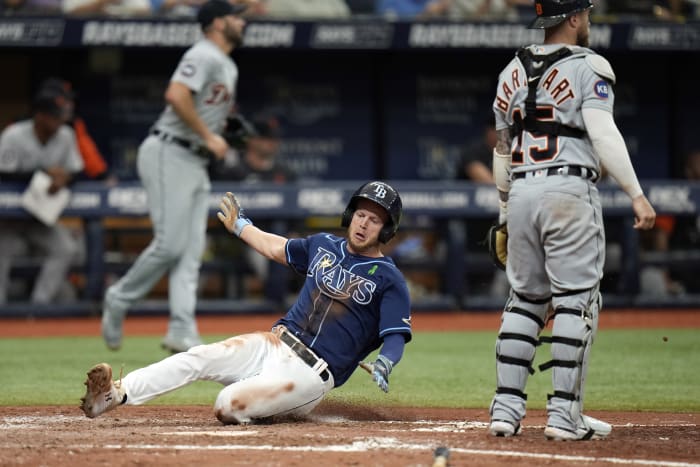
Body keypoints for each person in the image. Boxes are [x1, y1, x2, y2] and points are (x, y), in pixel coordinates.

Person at [80, 181, 412, 425]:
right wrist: (242, 226)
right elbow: (274, 248)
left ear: (386, 230)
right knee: (198, 356)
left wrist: (387, 361)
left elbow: (395, 334)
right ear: (350, 215)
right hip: (273, 343)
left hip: (310, 374)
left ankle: (268, 411)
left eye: (375, 219)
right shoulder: (323, 245)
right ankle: (115, 394)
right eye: (361, 214)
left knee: (228, 405)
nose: (364, 223)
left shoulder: (389, 278)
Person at [488, 0, 656, 441]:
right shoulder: (589, 64)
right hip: (567, 190)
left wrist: (505, 212)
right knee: (576, 300)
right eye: (587, 14)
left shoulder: (511, 70)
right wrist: (636, 195)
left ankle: (505, 412)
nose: (589, 21)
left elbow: (502, 152)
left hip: (521, 191)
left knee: (524, 299)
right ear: (575, 17)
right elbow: (602, 133)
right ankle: (564, 415)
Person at [100, 0, 247, 353]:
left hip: (193, 159)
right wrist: (209, 136)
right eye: (234, 16)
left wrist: (221, 128)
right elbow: (176, 94)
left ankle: (182, 328)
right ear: (215, 23)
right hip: (170, 150)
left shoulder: (226, 64)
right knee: (170, 244)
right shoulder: (204, 53)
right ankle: (119, 298)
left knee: (191, 250)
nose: (242, 22)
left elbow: (202, 107)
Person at [0, 82, 84, 305]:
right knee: (2, 251)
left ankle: (39, 305)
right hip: (9, 219)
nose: (59, 121)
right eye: (54, 116)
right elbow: (4, 173)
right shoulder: (14, 135)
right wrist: (44, 174)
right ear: (39, 115)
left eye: (60, 116)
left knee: (66, 248)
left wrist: (65, 177)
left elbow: (77, 170)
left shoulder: (66, 135)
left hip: (41, 217)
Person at [210, 114, 297, 302]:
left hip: (278, 235)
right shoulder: (233, 171)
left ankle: (294, 308)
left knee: (299, 250)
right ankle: (276, 303)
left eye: (274, 138)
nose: (271, 143)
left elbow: (298, 212)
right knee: (263, 255)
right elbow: (219, 209)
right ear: (252, 140)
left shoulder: (286, 172)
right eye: (265, 138)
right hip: (241, 237)